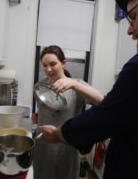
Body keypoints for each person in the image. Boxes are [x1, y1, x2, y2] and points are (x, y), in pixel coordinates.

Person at [38, 0, 138, 178]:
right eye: (44, 65)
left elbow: (105, 112)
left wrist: (61, 134)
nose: (129, 30)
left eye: (133, 16)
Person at [32, 45, 103, 179]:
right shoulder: (41, 86)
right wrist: (37, 116)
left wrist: (74, 84)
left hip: (66, 147)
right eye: (45, 65)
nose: (48, 69)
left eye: (53, 64)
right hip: (43, 146)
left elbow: (102, 101)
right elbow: (44, 109)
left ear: (63, 64)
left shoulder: (76, 85)